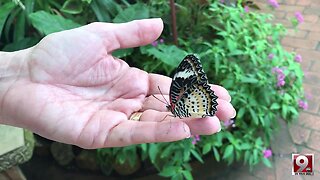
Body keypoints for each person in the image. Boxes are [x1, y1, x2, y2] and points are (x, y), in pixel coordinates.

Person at [0, 18, 236, 149]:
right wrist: (20, 73)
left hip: (198, 103)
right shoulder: (174, 104)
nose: (166, 104)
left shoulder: (176, 102)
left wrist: (16, 73)